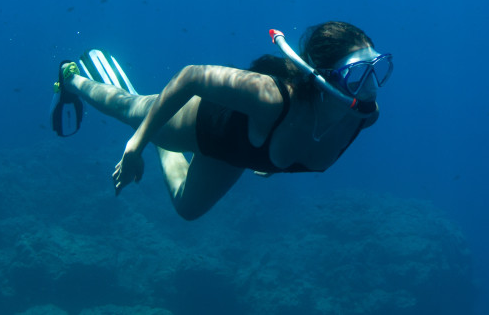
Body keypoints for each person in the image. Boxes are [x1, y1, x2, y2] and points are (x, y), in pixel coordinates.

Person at [51, 21, 392, 220]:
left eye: (378, 69)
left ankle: (155, 135)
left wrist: (277, 161)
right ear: (323, 78)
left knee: (187, 209)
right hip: (204, 122)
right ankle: (70, 79)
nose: (370, 88)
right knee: (128, 110)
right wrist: (135, 146)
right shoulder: (271, 98)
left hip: (241, 149)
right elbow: (191, 76)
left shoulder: (363, 117)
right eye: (358, 74)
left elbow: (306, 136)